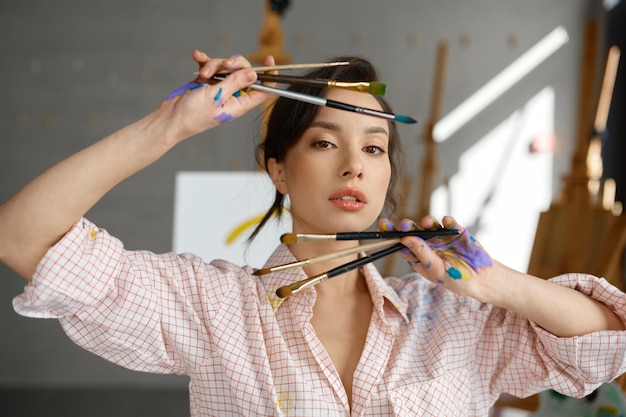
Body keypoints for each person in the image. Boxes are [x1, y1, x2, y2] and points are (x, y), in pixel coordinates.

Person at [0, 50, 625, 417]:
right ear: (277, 166)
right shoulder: (216, 308)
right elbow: (23, 238)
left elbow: (607, 343)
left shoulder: (454, 319)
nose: (354, 163)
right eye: (324, 142)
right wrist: (170, 125)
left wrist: (497, 284)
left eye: (375, 148)